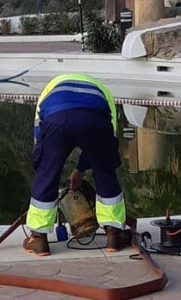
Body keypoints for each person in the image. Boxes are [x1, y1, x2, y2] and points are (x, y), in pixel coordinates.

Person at [24, 72, 130, 256]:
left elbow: (38, 136)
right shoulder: (103, 92)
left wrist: (44, 168)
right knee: (105, 172)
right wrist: (85, 167)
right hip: (95, 119)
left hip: (57, 119)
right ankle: (114, 236)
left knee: (46, 174)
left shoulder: (48, 91)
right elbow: (106, 142)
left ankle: (38, 240)